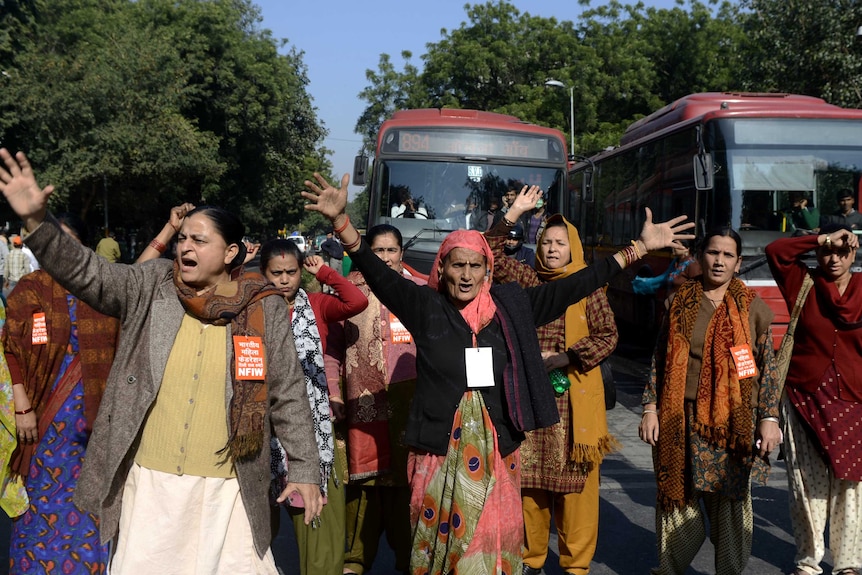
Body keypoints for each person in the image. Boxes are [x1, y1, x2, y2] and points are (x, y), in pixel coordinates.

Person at [302, 172, 693, 574]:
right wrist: (341, 221)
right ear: (443, 268)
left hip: (497, 454)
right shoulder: (425, 306)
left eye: (476, 265)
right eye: (458, 265)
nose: (467, 275)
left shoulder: (511, 307)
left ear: (488, 270)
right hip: (437, 451)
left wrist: (639, 247)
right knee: (437, 551)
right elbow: (377, 272)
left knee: (489, 552)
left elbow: (578, 284)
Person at [0, 148, 322, 573]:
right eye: (183, 238)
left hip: (229, 489)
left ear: (231, 253)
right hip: (150, 486)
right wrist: (37, 224)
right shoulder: (151, 286)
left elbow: (289, 395)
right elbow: (88, 272)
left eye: (199, 240)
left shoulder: (265, 309)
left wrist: (305, 468)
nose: (185, 247)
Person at [487, 199, 619, 575]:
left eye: (560, 243)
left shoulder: (588, 287)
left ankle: (576, 566)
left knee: (577, 491)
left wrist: (567, 357)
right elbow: (487, 253)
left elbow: (608, 334)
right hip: (531, 401)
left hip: (574, 407)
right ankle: (530, 560)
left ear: (573, 248)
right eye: (546, 242)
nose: (552, 250)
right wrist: (512, 216)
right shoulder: (527, 281)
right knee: (530, 486)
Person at [639, 227, 781, 575]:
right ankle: (670, 567)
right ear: (700, 256)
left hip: (731, 425)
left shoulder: (752, 309)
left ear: (738, 263)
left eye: (727, 255)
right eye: (713, 253)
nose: (719, 261)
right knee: (677, 502)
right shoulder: (679, 302)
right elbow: (660, 358)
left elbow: (765, 369)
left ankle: (728, 570)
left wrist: (769, 418)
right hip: (680, 420)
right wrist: (649, 408)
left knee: (730, 508)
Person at [2, 213, 121, 572]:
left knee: (89, 510)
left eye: (65, 243)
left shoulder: (100, 289)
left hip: (91, 424)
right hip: (42, 420)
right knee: (37, 505)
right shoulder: (29, 289)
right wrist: (21, 403)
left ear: (81, 249)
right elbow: (11, 347)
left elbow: (142, 281)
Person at [259, 239, 367, 575]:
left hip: (312, 427)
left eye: (291, 272)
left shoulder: (317, 304)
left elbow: (356, 301)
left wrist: (323, 272)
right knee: (260, 520)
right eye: (276, 273)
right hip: (266, 425)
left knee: (315, 517)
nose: (284, 280)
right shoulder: (253, 310)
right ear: (263, 274)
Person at [325, 224, 426, 575]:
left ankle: (410, 560)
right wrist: (333, 393)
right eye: (377, 251)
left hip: (410, 406)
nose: (384, 258)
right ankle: (355, 560)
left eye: (391, 251)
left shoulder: (420, 290)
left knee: (409, 484)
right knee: (363, 489)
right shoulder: (344, 293)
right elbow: (332, 349)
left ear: (402, 254)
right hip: (360, 406)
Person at [765, 224, 862, 575]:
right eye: (826, 251)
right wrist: (822, 237)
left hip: (854, 400)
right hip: (804, 396)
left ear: (854, 252)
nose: (833, 258)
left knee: (850, 485)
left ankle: (848, 563)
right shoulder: (802, 282)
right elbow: (776, 250)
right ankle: (808, 560)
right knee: (806, 485)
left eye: (842, 251)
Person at [631, 241, 701, 305]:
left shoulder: (693, 265)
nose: (672, 246)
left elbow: (698, 292)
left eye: (676, 244)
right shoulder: (675, 263)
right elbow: (665, 279)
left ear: (686, 248)